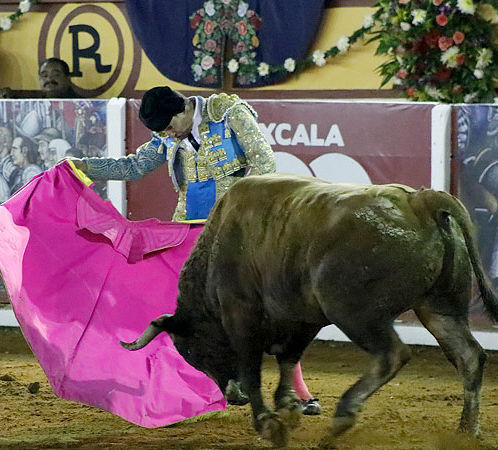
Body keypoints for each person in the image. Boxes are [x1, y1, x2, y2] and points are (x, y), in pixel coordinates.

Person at [70, 86, 321, 414]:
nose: (168, 135)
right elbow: (135, 166)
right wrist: (84, 166)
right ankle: (199, 387)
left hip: (235, 229)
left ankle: (297, 392)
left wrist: (244, 216)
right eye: (162, 133)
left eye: (169, 127)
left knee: (269, 306)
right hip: (189, 234)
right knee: (185, 311)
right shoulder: (169, 134)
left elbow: (264, 163)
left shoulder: (227, 112)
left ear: (183, 110)